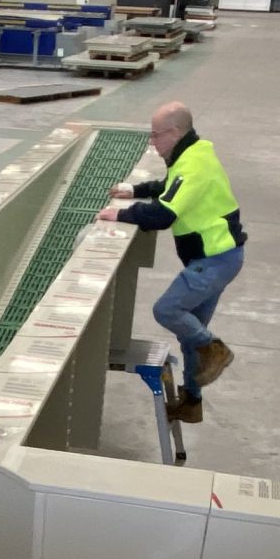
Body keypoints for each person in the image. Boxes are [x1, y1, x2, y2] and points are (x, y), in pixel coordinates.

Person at [96, 100, 245, 423]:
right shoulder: (192, 154)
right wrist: (135, 189)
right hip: (219, 257)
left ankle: (216, 349)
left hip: (215, 260)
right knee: (189, 335)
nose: (152, 142)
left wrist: (121, 214)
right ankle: (191, 401)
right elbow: (169, 188)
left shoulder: (193, 166)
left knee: (167, 310)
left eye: (156, 135)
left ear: (175, 133)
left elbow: (163, 215)